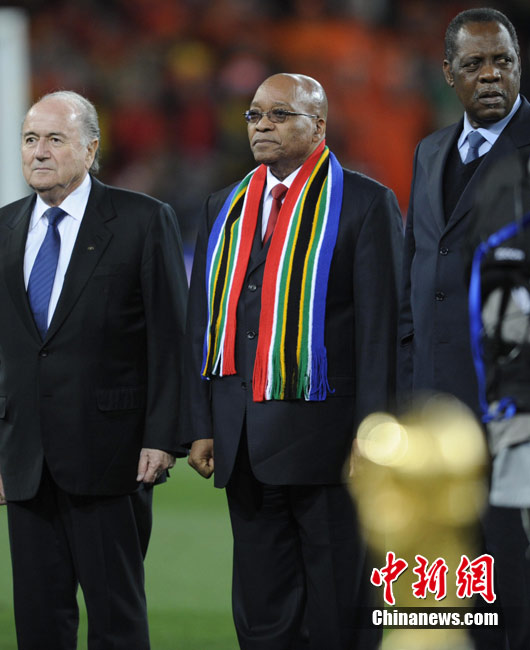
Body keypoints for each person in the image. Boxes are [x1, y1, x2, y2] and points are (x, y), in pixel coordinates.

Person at [184, 73, 402, 649]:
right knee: (262, 613)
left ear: (318, 125)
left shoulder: (365, 203)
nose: (262, 126)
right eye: (254, 115)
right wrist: (201, 423)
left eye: (279, 115)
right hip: (243, 444)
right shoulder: (223, 207)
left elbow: (382, 333)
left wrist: (375, 435)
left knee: (338, 608)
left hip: (330, 446)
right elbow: (200, 323)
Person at [0, 90, 187, 650]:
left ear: (91, 149)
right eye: (30, 139)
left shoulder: (143, 220)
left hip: (113, 455)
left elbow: (171, 339)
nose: (38, 151)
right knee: (39, 623)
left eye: (54, 139)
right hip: (24, 458)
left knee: (116, 621)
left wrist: (163, 437)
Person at [399, 8, 530, 648]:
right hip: (437, 408)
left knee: (515, 578)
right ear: (448, 73)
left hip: (516, 412)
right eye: (474, 64)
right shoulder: (429, 152)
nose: (490, 75)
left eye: (502, 60)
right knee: (449, 582)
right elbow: (416, 278)